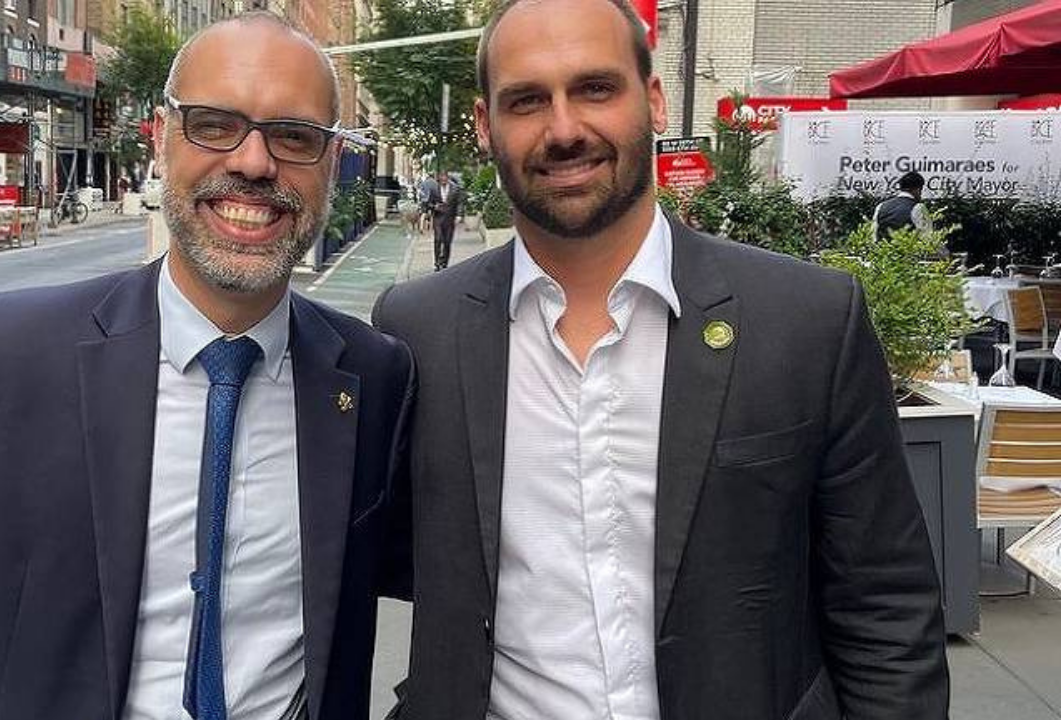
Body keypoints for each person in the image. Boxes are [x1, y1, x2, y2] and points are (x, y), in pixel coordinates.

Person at [373, 0, 950, 718]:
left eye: (594, 88)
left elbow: (885, 606)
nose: (563, 129)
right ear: (487, 126)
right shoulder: (414, 331)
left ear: (651, 99)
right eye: (526, 100)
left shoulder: (805, 321)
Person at [0, 13, 413, 720]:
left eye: (294, 136)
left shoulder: (375, 378)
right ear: (161, 137)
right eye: (213, 123)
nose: (255, 163)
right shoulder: (6, 354)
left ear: (331, 162)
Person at [875, 170, 934, 240]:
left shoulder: (881, 206)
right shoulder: (918, 207)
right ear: (918, 190)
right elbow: (927, 237)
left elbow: (873, 235)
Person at [425, 169, 463, 271]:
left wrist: (459, 215)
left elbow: (459, 203)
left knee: (447, 242)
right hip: (438, 218)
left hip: (450, 218)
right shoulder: (434, 189)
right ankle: (437, 263)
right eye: (441, 178)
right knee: (438, 239)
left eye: (444, 178)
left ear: (447, 178)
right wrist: (434, 207)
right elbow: (428, 203)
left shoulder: (455, 189)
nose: (443, 180)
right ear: (438, 179)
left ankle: (444, 262)